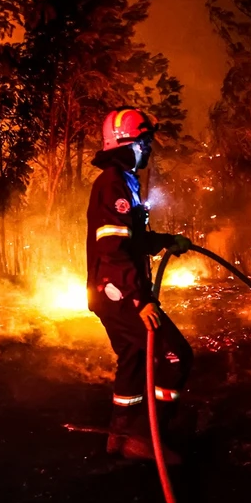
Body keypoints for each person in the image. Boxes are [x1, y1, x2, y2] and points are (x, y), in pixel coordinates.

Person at [86, 107, 193, 461]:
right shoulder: (113, 183)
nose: (148, 149)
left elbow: (131, 239)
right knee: (175, 355)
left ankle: (120, 435)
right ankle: (149, 436)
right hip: (119, 292)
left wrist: (166, 241)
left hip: (113, 292)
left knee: (133, 358)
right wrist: (138, 298)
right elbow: (112, 248)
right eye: (143, 142)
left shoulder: (124, 181)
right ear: (125, 144)